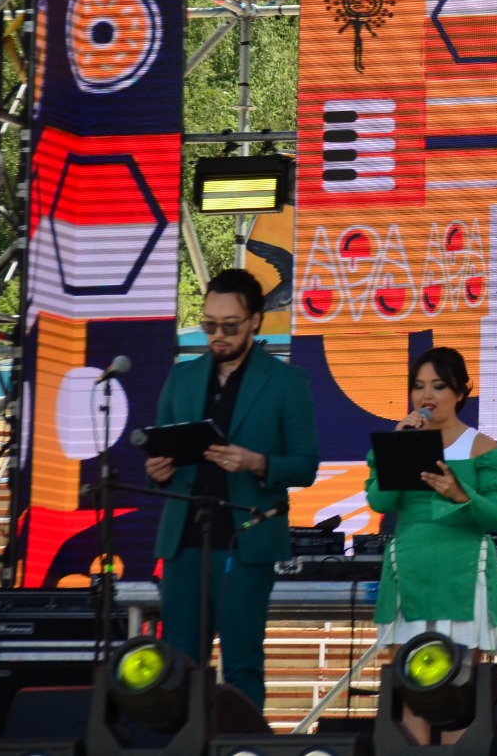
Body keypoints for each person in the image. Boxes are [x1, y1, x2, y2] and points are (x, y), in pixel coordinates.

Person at [144, 268, 320, 712]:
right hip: (185, 540)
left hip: (246, 542)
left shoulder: (285, 381)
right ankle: (182, 742)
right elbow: (159, 453)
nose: (218, 336)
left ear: (255, 321)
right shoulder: (183, 378)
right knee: (179, 666)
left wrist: (256, 462)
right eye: (209, 325)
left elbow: (305, 465)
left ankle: (242, 741)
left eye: (229, 326)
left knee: (242, 666)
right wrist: (158, 469)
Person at [365, 346, 497, 744]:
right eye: (418, 386)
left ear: (461, 392)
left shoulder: (481, 447)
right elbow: (380, 502)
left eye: (438, 386)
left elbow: (496, 517)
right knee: (411, 692)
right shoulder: (405, 440)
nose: (426, 395)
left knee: (458, 694)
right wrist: (397, 447)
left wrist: (459, 493)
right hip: (410, 569)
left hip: (462, 572)